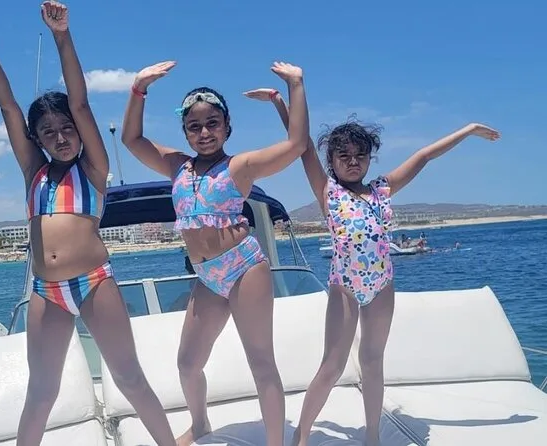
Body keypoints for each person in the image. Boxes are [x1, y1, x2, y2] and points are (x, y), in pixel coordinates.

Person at [0, 3, 176, 445]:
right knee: (41, 392)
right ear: (36, 139)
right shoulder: (34, 172)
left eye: (67, 128)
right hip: (45, 292)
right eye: (48, 132)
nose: (61, 137)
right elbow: (8, 105)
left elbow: (81, 102)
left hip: (94, 283)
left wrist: (61, 35)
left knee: (129, 378)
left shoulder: (92, 169)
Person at [243, 87, 500, 446]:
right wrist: (280, 103)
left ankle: (373, 436)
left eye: (360, 155)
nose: (353, 161)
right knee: (332, 365)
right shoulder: (328, 191)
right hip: (345, 286)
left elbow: (424, 156)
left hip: (382, 285)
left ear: (369, 158)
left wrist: (468, 130)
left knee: (373, 361)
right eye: (344, 156)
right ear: (332, 161)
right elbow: (303, 146)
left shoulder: (383, 190)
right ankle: (301, 435)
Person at [121, 61, 310, 446]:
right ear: (185, 131)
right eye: (194, 126)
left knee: (261, 363)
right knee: (188, 363)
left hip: (244, 267)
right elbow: (131, 139)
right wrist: (138, 88)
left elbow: (296, 145)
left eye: (212, 123)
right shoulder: (177, 166)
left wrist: (292, 88)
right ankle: (200, 425)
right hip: (207, 277)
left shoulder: (239, 166)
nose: (204, 132)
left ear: (226, 127)